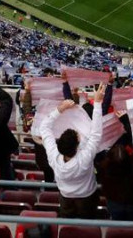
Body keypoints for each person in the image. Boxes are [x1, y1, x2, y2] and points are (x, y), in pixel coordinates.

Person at [40, 83, 104, 218]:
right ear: (77, 145)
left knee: (67, 222)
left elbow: (44, 128)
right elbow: (96, 134)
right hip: (87, 196)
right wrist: (97, 103)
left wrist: (60, 109)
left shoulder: (54, 156)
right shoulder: (84, 158)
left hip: (65, 196)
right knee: (88, 221)